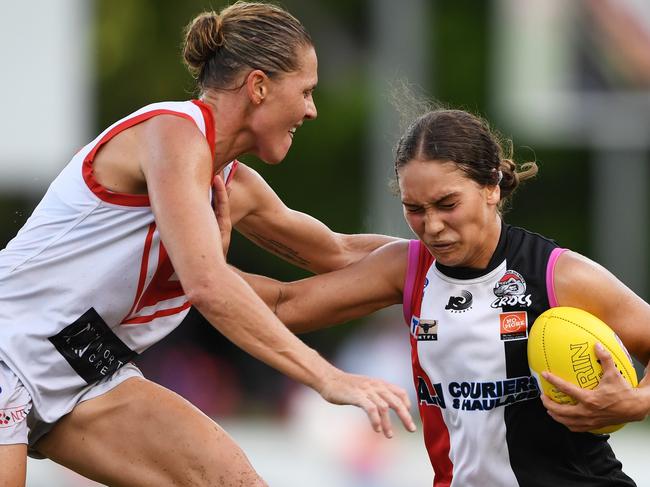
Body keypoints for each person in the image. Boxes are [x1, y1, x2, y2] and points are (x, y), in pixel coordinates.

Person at [0, 3, 416, 486]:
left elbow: (339, 253)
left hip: (84, 377)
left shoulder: (233, 185)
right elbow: (208, 284)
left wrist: (468, 253)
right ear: (259, 86)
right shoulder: (172, 134)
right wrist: (329, 378)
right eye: (305, 90)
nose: (311, 108)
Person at [239, 107, 650, 486]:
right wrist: (184, 259)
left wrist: (635, 403)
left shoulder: (558, 273)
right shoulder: (408, 268)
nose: (431, 226)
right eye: (414, 208)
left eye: (447, 204)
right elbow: (281, 306)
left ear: (491, 186)